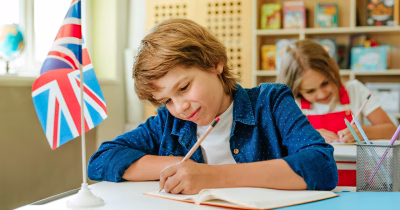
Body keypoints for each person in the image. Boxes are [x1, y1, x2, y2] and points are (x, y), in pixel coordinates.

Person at [88, 19, 337, 194]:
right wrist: (178, 167)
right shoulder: (169, 122)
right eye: (167, 100)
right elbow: (101, 160)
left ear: (214, 64)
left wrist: (213, 176)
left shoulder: (270, 102)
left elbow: (321, 166)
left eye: (184, 88)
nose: (180, 107)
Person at [277, 39, 396, 143]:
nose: (322, 94)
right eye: (310, 91)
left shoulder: (355, 90)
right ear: (296, 90)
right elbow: (278, 142)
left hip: (355, 168)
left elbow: (393, 132)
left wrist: (365, 132)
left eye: (325, 83)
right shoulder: (292, 103)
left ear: (333, 70)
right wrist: (308, 135)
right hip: (312, 169)